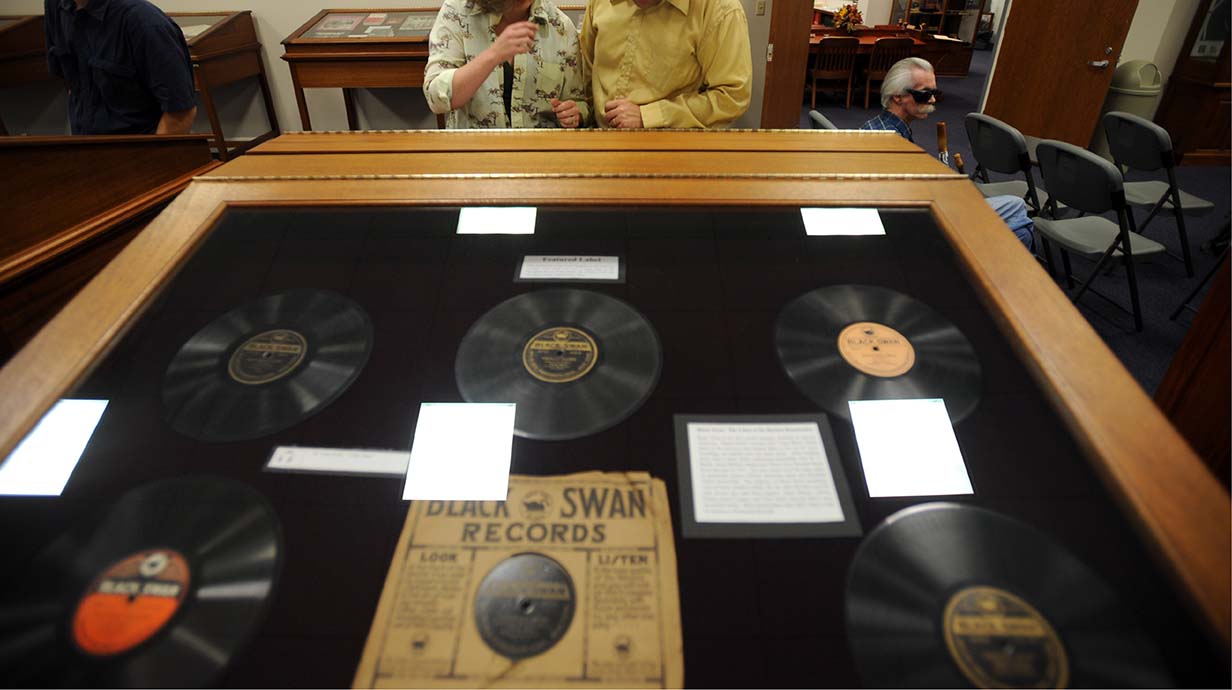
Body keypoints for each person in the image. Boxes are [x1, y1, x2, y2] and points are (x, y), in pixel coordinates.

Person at [862, 57, 1035, 250]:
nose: (933, 99)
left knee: (1018, 226)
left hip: (898, 218)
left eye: (935, 92)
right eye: (925, 94)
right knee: (1017, 208)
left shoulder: (876, 126)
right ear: (897, 97)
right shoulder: (894, 143)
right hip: (916, 228)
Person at [579, 0, 752, 129]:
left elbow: (732, 96)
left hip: (673, 146)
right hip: (600, 141)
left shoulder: (718, 9)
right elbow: (586, 71)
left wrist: (649, 116)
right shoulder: (599, 3)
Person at [424, 0, 588, 129]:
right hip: (473, 153)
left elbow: (578, 101)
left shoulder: (560, 27)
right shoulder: (457, 13)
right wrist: (493, 55)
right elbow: (436, 99)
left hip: (539, 154)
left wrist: (575, 114)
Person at [43, 0, 197, 135]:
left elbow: (181, 113)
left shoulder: (145, 22)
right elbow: (70, 81)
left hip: (138, 154)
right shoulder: (56, 7)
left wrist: (149, 164)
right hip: (85, 151)